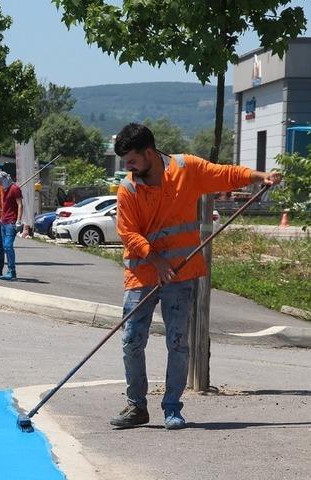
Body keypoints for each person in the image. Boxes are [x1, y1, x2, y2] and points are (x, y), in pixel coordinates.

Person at [110, 123, 282, 431]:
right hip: (143, 274)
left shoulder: (186, 168)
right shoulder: (129, 188)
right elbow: (128, 233)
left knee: (178, 343)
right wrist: (156, 260)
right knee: (131, 341)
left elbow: (224, 174)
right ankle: (137, 406)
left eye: (132, 160)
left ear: (149, 153)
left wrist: (260, 177)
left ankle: (172, 407)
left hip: (181, 275)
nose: (128, 167)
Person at [0, 171, 23, 281]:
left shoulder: (14, 189)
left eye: (0, 181)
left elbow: (20, 205)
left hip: (11, 222)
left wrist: (18, 221)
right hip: (4, 221)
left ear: (5, 179)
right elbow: (7, 206)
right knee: (5, 247)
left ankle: (12, 271)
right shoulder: (5, 189)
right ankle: (9, 270)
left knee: (8, 246)